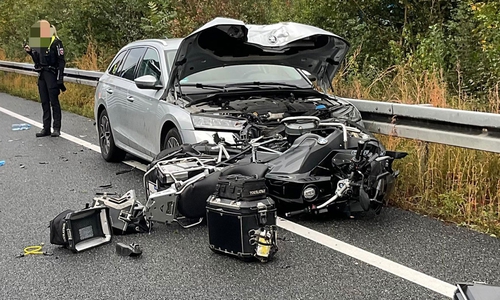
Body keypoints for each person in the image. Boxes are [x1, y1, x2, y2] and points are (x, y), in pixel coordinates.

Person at [24, 20, 66, 137]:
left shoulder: (56, 43)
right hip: (42, 75)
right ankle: (46, 128)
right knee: (44, 102)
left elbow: (61, 61)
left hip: (51, 74)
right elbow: (37, 60)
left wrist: (60, 78)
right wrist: (30, 52)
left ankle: (56, 128)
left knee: (54, 102)